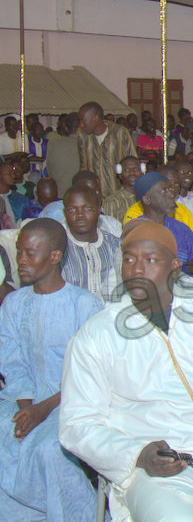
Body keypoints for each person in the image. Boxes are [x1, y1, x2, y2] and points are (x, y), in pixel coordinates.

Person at [59, 221, 193, 521]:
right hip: (158, 471)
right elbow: (77, 424)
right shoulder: (97, 335)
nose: (136, 269)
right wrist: (137, 454)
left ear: (175, 267)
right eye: (128, 260)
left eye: (150, 260)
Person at [0, 218, 102, 521]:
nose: (21, 261)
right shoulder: (13, 304)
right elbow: (12, 361)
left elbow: (90, 374)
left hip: (70, 402)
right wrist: (26, 407)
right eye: (19, 253)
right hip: (24, 399)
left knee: (50, 450)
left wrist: (42, 410)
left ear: (55, 256)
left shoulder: (84, 304)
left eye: (30, 254)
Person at [133, 171, 193, 284]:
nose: (172, 194)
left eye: (170, 189)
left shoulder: (181, 230)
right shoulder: (134, 232)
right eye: (164, 191)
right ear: (147, 200)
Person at [61, 185, 121, 303]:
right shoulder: (57, 248)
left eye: (87, 208)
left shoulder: (116, 246)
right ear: (65, 213)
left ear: (99, 210)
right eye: (72, 209)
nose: (80, 215)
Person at [124, 165, 193, 242]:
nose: (172, 192)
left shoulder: (182, 212)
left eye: (176, 185)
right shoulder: (135, 219)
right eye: (165, 189)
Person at [76, 102, 137, 197]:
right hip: (95, 196)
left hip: (119, 196)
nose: (81, 125)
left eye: (83, 120)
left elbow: (133, 163)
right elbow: (83, 167)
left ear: (95, 118)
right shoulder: (83, 136)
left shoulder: (119, 132)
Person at [45, 112, 81, 198]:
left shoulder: (52, 144)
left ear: (65, 127)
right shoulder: (87, 144)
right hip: (81, 195)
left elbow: (49, 170)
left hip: (59, 195)